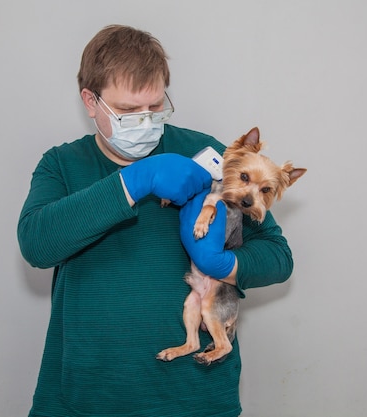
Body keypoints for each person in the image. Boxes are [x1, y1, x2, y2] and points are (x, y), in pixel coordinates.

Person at [18, 24, 295, 417]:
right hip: (88, 394)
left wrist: (226, 265)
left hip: (193, 396)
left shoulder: (208, 156)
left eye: (155, 106)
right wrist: (134, 182)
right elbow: (36, 243)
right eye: (129, 111)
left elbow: (278, 256)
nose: (146, 121)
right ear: (90, 100)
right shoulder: (62, 165)